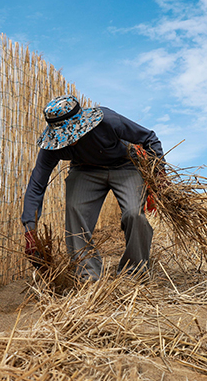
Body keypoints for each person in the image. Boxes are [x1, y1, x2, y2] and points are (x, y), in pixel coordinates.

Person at [21, 95, 165, 280]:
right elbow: (37, 183)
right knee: (75, 211)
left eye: (72, 133)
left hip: (125, 165)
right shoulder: (52, 145)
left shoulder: (109, 121)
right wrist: (30, 230)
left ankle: (133, 273)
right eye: (64, 136)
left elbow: (149, 138)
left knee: (133, 214)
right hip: (85, 170)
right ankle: (87, 276)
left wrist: (160, 176)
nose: (70, 140)